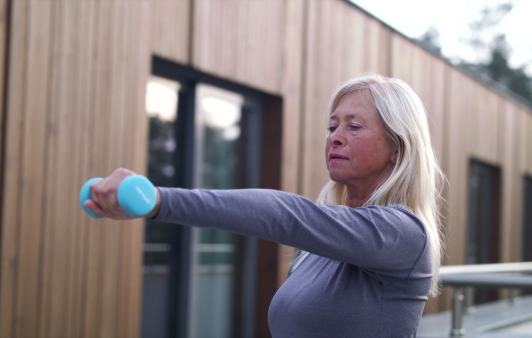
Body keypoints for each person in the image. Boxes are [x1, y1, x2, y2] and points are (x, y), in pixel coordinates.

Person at [84, 73, 445, 337]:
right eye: (332, 126)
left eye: (354, 127)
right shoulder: (319, 250)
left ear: (397, 147)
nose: (335, 137)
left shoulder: (403, 235)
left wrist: (158, 200)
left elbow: (282, 215)